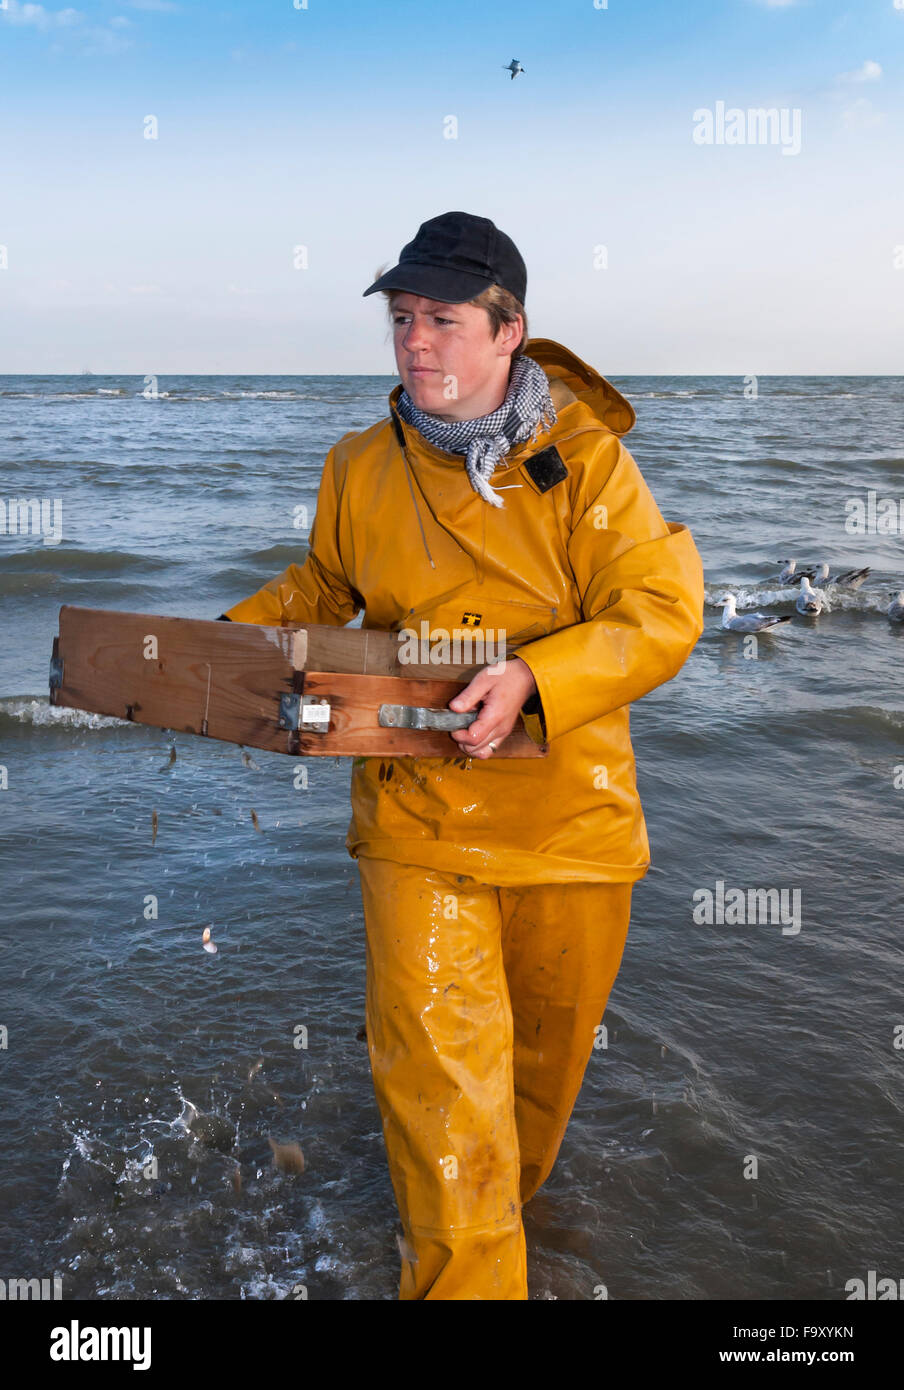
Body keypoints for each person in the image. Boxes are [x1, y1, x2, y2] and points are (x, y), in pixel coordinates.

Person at [219, 211, 704, 1300]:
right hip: (416, 819)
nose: (416, 343)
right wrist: (209, 661)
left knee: (529, 1100)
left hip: (571, 827)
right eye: (400, 319)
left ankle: (495, 1239)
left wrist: (541, 677)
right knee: (444, 1098)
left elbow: (661, 609)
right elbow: (319, 593)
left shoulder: (585, 463)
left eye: (442, 318)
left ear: (508, 331)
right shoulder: (358, 466)